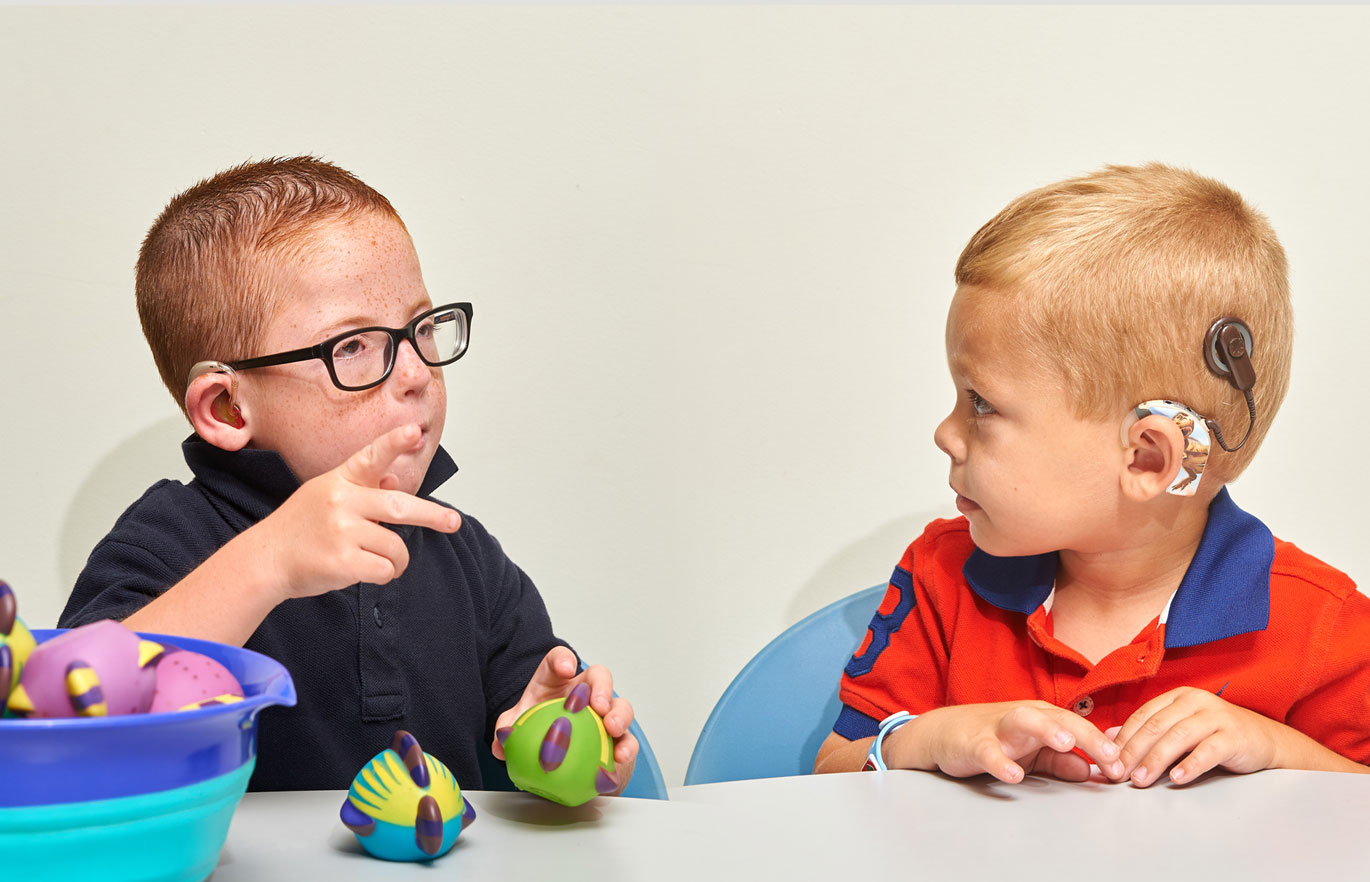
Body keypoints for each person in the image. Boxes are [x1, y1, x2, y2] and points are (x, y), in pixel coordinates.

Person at [60, 156, 638, 793]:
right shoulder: (170, 539)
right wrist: (269, 563)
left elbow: (531, 755)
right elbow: (69, 732)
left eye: (422, 327)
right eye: (354, 345)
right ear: (227, 408)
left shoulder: (466, 556)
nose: (418, 371)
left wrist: (557, 737)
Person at [815, 163, 1370, 786]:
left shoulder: (1324, 628)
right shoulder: (943, 575)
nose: (945, 433)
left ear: (1149, 458)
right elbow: (834, 769)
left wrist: (1274, 749)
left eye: (980, 404)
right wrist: (934, 737)